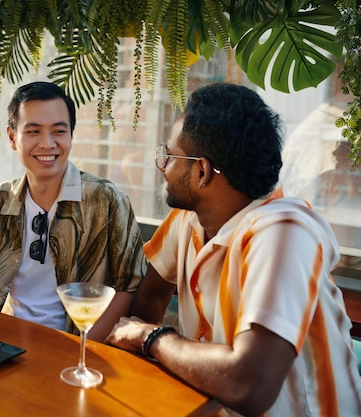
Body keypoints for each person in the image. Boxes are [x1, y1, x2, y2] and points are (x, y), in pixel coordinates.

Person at [105, 83, 361, 416]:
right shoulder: (188, 219)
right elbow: (152, 296)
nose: (162, 167)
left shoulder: (285, 233)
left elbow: (249, 384)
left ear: (202, 172)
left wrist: (150, 337)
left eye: (168, 156)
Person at [0, 81, 146, 341]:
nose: (47, 143)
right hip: (2, 339)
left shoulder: (107, 201)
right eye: (33, 131)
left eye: (58, 131)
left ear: (71, 136)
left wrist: (86, 349)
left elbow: (129, 285)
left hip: (76, 343)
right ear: (12, 137)